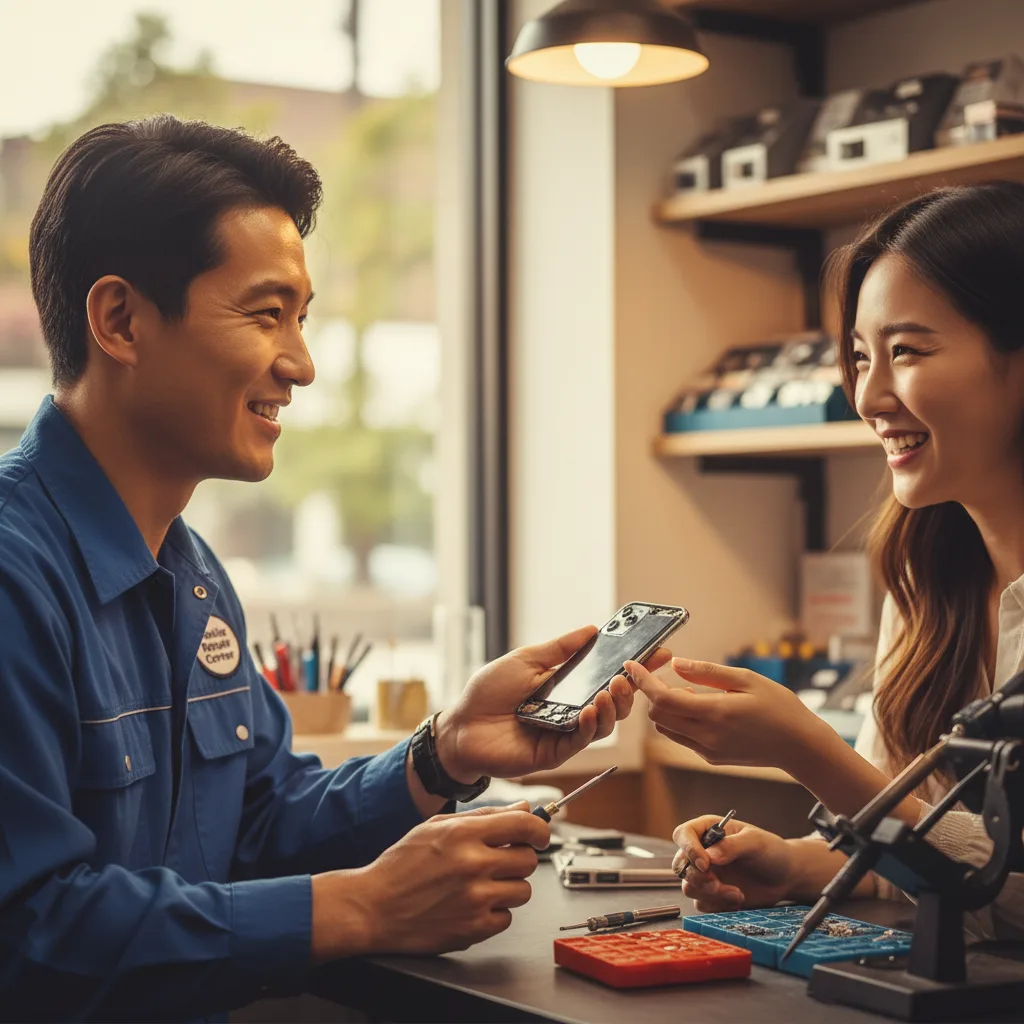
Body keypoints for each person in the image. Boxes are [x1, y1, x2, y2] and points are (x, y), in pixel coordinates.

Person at [0, 116, 668, 1020]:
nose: (302, 365)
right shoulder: (15, 575)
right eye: (264, 314)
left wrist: (444, 752)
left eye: (301, 318)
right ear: (121, 321)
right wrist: (360, 907)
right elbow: (28, 931)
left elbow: (262, 823)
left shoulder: (193, 576)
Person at [627, 181, 1024, 941]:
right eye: (861, 358)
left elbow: (1005, 890)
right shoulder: (923, 583)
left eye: (906, 352)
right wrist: (792, 863)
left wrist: (803, 749)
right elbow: (911, 846)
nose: (868, 396)